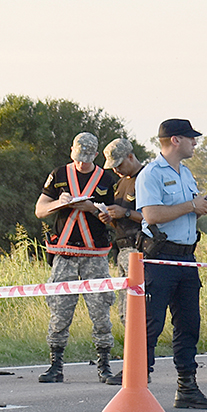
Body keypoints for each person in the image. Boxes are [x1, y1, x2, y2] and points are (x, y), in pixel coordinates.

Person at [134, 119, 207, 409]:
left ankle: (187, 388)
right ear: (174, 140)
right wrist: (191, 205)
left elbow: (185, 213)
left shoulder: (186, 174)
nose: (195, 142)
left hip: (186, 257)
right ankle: (137, 386)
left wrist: (203, 207)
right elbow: (152, 214)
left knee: (188, 323)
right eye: (190, 138)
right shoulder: (151, 174)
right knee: (151, 324)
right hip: (159, 257)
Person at [34, 132, 117, 384]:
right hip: (65, 253)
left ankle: (104, 365)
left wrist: (94, 209)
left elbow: (112, 217)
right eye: (78, 157)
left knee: (100, 309)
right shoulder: (58, 174)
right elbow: (40, 210)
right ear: (72, 151)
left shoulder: (105, 178)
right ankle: (55, 365)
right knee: (59, 309)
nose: (81, 162)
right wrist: (58, 204)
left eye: (87, 157)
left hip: (95, 254)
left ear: (95, 154)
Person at [101, 138, 145, 386]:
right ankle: (133, 364)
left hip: (139, 251)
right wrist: (111, 217)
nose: (116, 170)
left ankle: (137, 366)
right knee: (124, 312)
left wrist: (127, 213)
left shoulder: (146, 178)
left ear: (131, 156)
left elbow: (153, 215)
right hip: (122, 249)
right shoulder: (120, 184)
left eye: (119, 164)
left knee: (134, 312)